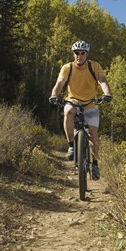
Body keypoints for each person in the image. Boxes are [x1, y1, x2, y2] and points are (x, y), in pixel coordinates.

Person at [49, 40, 112, 180]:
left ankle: (95, 164)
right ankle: (71, 145)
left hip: (91, 103)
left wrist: (107, 94)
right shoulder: (67, 67)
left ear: (86, 54)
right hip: (73, 100)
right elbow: (59, 83)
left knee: (94, 134)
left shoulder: (94, 66)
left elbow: (102, 80)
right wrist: (54, 95)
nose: (79, 55)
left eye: (82, 53)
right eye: (76, 53)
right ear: (73, 54)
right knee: (68, 112)